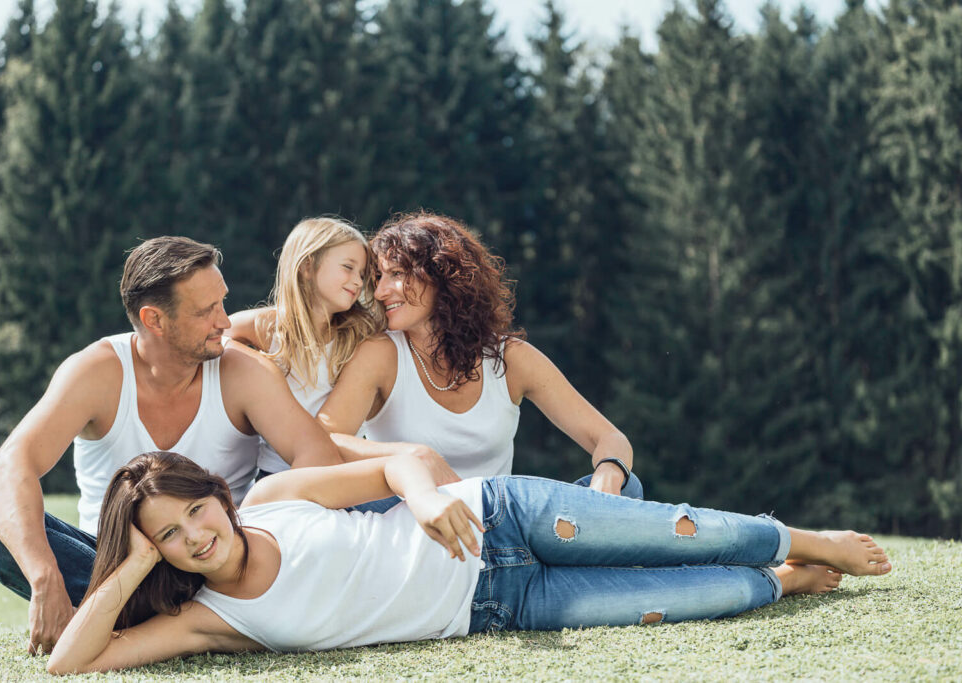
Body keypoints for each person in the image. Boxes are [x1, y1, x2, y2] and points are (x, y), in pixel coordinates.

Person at [46, 451, 892, 674]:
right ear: (155, 546)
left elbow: (396, 463)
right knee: (706, 597)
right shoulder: (208, 619)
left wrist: (418, 498)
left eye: (197, 508)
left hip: (504, 512)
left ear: (218, 499)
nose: (196, 533)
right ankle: (776, 580)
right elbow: (72, 663)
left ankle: (802, 539)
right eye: (171, 532)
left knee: (695, 533)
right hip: (499, 607)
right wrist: (124, 562)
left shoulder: (274, 499)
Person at [0, 236, 345, 656]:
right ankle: (170, 625)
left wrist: (247, 526)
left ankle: (135, 629)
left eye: (223, 303)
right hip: (121, 572)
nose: (225, 322)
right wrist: (45, 578)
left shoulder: (243, 371)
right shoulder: (96, 372)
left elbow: (320, 461)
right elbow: (7, 470)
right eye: (206, 312)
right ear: (154, 319)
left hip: (213, 563)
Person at [318, 210, 641, 507]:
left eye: (396, 274)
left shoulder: (510, 359)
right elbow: (326, 439)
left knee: (628, 487)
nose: (379, 291)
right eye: (378, 278)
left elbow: (610, 437)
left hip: (496, 525)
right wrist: (410, 456)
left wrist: (608, 473)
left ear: (442, 273)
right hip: (412, 514)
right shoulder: (381, 353)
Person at [229, 217, 442, 478]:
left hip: (336, 472)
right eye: (348, 268)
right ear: (307, 266)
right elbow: (219, 335)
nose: (357, 281)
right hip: (274, 472)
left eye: (362, 275)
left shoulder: (358, 334)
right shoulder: (268, 327)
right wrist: (258, 367)